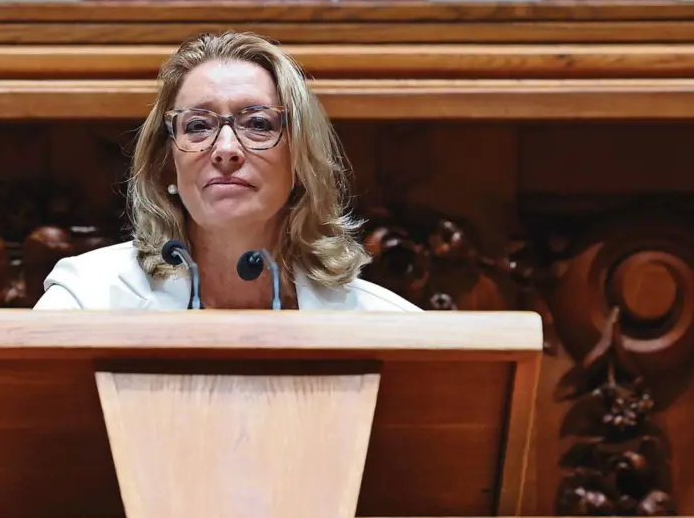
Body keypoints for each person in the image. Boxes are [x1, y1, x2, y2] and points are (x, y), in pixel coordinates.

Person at [33, 30, 420, 312]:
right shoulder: (85, 301)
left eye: (259, 124)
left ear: (301, 161)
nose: (227, 150)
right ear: (167, 164)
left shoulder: (388, 325)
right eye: (198, 126)